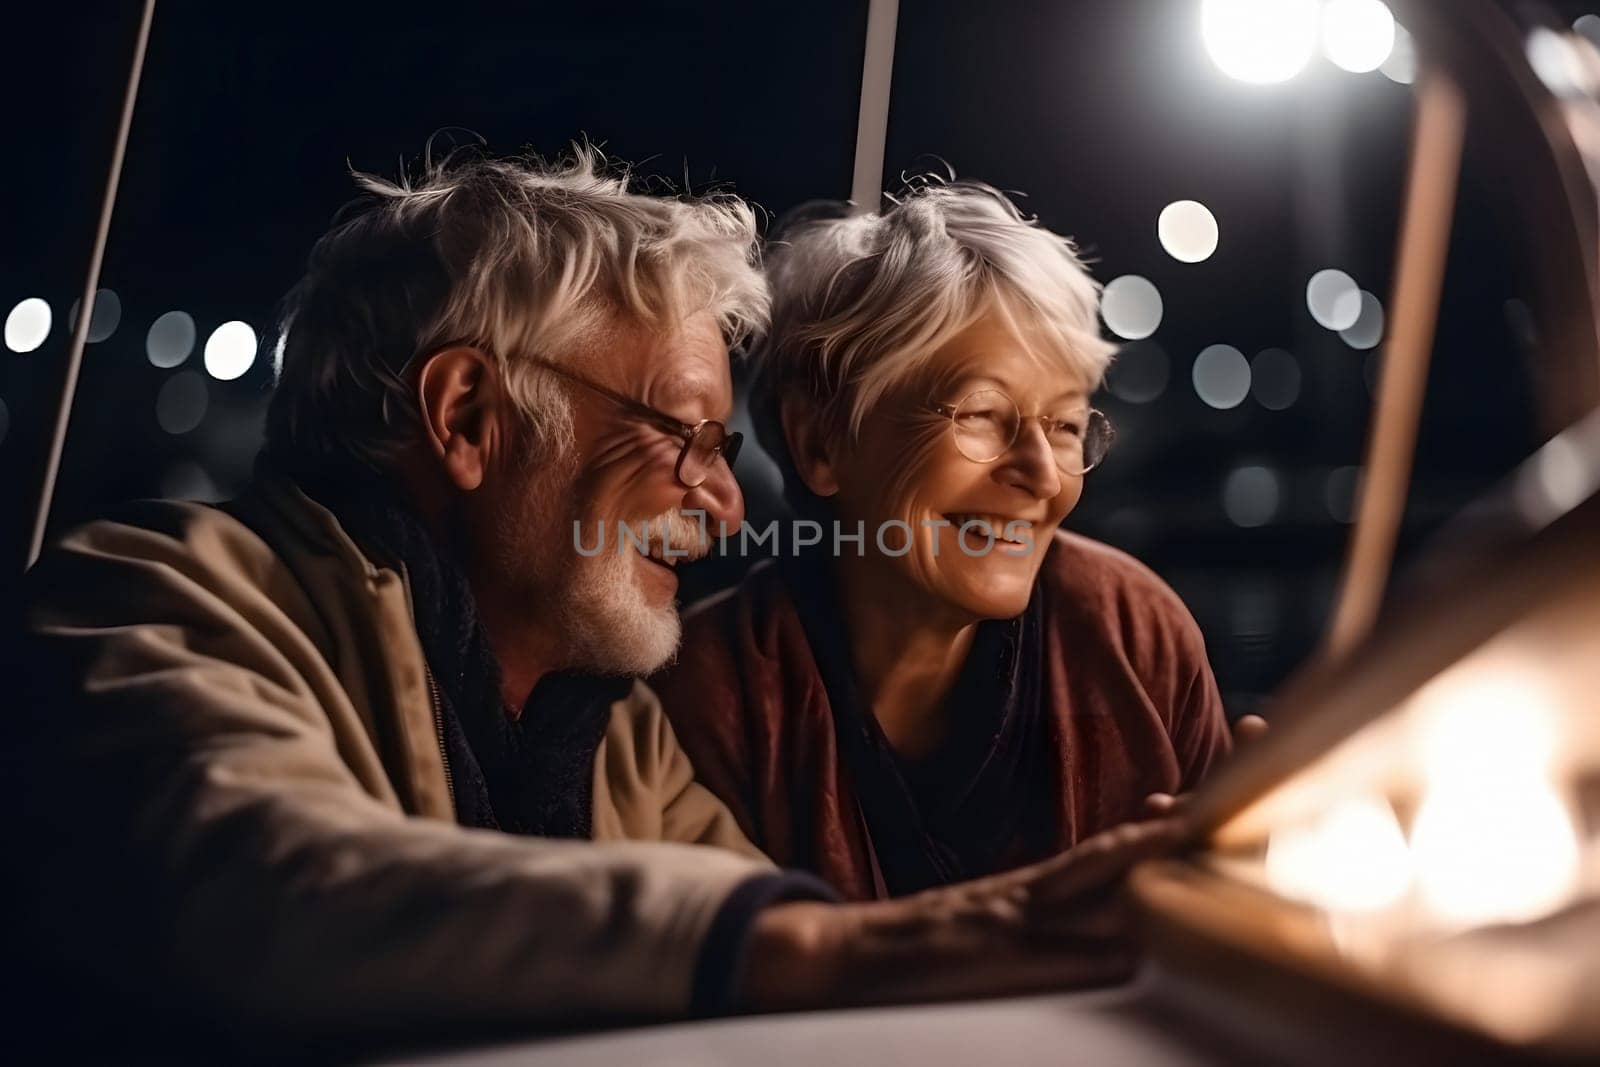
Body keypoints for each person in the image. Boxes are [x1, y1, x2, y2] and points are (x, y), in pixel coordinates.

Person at [7, 150, 1186, 1058]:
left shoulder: (621, 742)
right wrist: (833, 943)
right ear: (469, 416)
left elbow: (803, 997)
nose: (727, 505)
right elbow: (274, 884)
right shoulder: (146, 600)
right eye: (682, 436)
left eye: (726, 447)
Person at [653, 181, 1234, 900]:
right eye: (985, 413)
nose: (1040, 473)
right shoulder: (708, 697)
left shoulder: (1134, 634)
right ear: (820, 442)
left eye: (1064, 425)